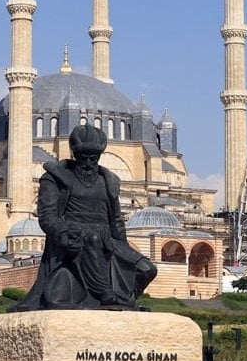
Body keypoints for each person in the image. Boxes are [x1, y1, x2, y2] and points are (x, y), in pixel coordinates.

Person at [10, 125, 157, 312]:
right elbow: (47, 216)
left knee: (147, 269)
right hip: (74, 237)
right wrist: (63, 235)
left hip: (106, 239)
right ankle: (105, 294)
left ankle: (127, 300)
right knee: (91, 239)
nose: (87, 163)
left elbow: (116, 219)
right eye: (83, 158)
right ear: (74, 154)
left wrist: (124, 248)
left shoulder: (108, 181)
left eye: (92, 159)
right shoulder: (55, 178)